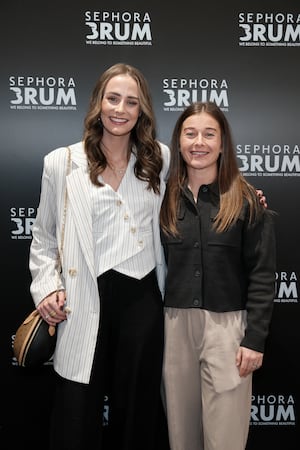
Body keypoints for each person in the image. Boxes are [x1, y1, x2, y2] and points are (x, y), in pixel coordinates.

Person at [29, 63, 170, 450]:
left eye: (131, 102)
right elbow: (42, 238)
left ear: (142, 111)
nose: (120, 109)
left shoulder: (159, 158)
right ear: (98, 103)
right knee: (75, 414)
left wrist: (246, 199)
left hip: (142, 298)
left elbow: (198, 191)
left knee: (137, 415)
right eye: (113, 98)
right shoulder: (62, 162)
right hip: (82, 299)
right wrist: (46, 288)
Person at [160, 101, 276, 450]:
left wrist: (254, 339)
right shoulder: (161, 198)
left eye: (210, 134)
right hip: (175, 326)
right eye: (190, 133)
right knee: (181, 437)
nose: (199, 142)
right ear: (179, 142)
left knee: (225, 438)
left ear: (223, 143)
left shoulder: (246, 200)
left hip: (229, 330)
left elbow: (262, 274)